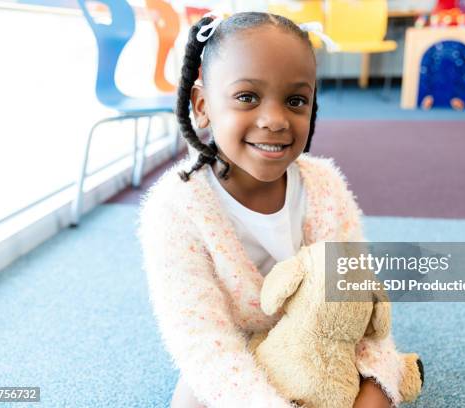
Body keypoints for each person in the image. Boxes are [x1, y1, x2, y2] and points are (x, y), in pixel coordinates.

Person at [138, 11, 407, 408]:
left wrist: (376, 387)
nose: (275, 120)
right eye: (247, 97)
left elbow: (358, 308)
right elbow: (201, 344)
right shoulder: (175, 209)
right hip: (234, 352)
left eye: (296, 100)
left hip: (320, 341)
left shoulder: (324, 187)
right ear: (202, 105)